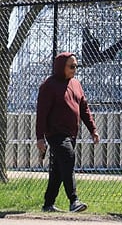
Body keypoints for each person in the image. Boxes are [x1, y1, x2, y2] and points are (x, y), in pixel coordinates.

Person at [36, 52, 100, 212]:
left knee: (58, 169)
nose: (74, 69)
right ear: (61, 67)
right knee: (68, 158)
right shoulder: (48, 86)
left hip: (72, 134)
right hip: (55, 134)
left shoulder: (76, 84)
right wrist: (40, 137)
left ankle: (48, 204)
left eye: (76, 66)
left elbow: (84, 109)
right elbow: (41, 113)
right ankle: (74, 200)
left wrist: (93, 130)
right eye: (71, 66)